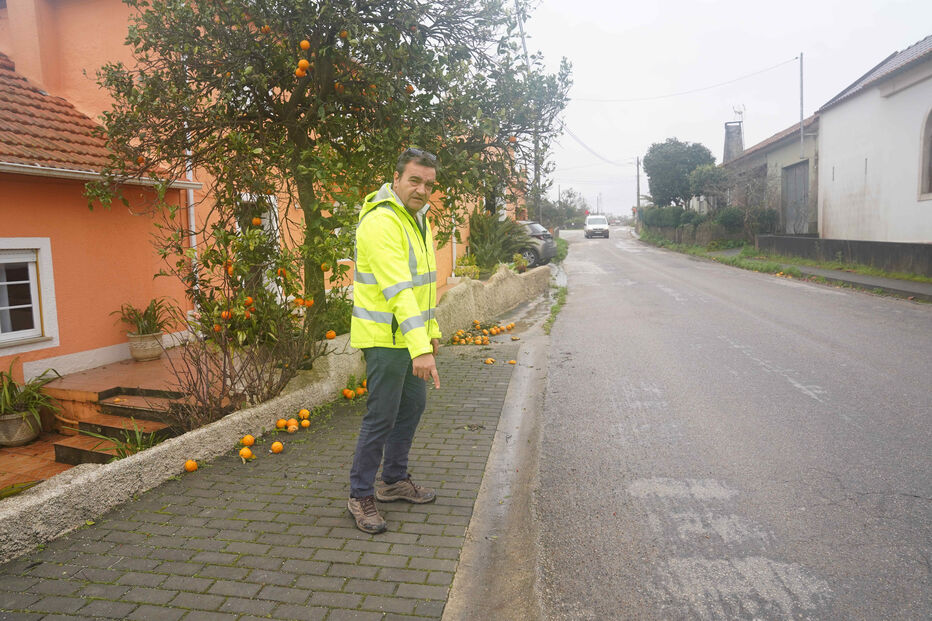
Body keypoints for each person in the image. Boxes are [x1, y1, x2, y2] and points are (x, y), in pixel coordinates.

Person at [347, 148, 443, 534]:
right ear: (397, 178)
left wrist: (430, 335)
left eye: (429, 184)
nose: (422, 190)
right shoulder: (382, 221)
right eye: (415, 180)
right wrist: (419, 347)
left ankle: (393, 480)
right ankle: (360, 493)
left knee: (412, 407)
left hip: (409, 336)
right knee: (381, 417)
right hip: (385, 337)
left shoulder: (418, 220)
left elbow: (425, 288)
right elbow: (400, 290)